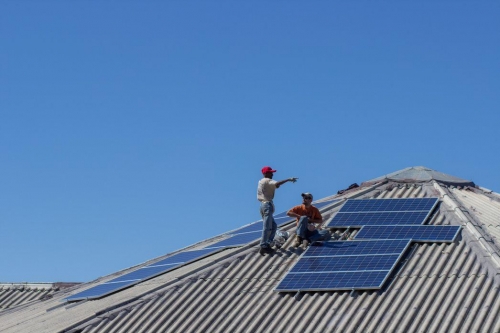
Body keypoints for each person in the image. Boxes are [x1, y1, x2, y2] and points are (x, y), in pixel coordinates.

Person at [257, 166, 298, 255]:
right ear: (265, 173)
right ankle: (263, 245)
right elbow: (277, 184)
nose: (272, 174)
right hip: (266, 205)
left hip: (264, 205)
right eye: (270, 172)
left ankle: (267, 243)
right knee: (267, 226)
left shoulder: (262, 181)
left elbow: (276, 186)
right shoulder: (266, 180)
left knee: (274, 226)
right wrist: (288, 179)